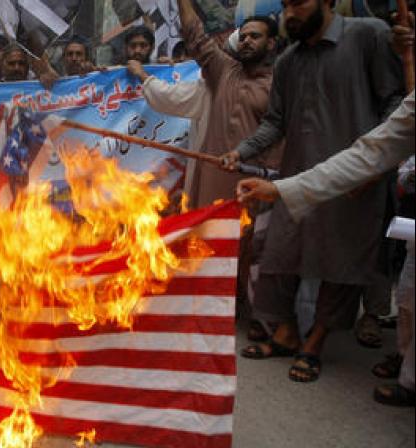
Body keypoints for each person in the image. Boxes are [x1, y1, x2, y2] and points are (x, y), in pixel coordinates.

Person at [219, 0, 404, 383]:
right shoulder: (288, 62)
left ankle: (314, 343)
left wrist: (377, 166)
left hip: (354, 180)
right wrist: (241, 151)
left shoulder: (369, 36)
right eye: (285, 5)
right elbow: (275, 123)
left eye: (299, 3)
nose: (290, 13)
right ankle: (285, 334)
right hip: (295, 179)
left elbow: (397, 105)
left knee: (340, 262)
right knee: (276, 255)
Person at [236, 92, 414, 405]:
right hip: (314, 181)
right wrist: (282, 188)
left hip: (354, 200)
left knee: (343, 261)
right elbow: (375, 150)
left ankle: (316, 343)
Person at [129, 0, 280, 208]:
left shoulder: (280, 84)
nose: (246, 41)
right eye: (243, 37)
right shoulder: (225, 72)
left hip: (254, 190)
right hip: (211, 189)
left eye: (254, 36)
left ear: (271, 43)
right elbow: (195, 36)